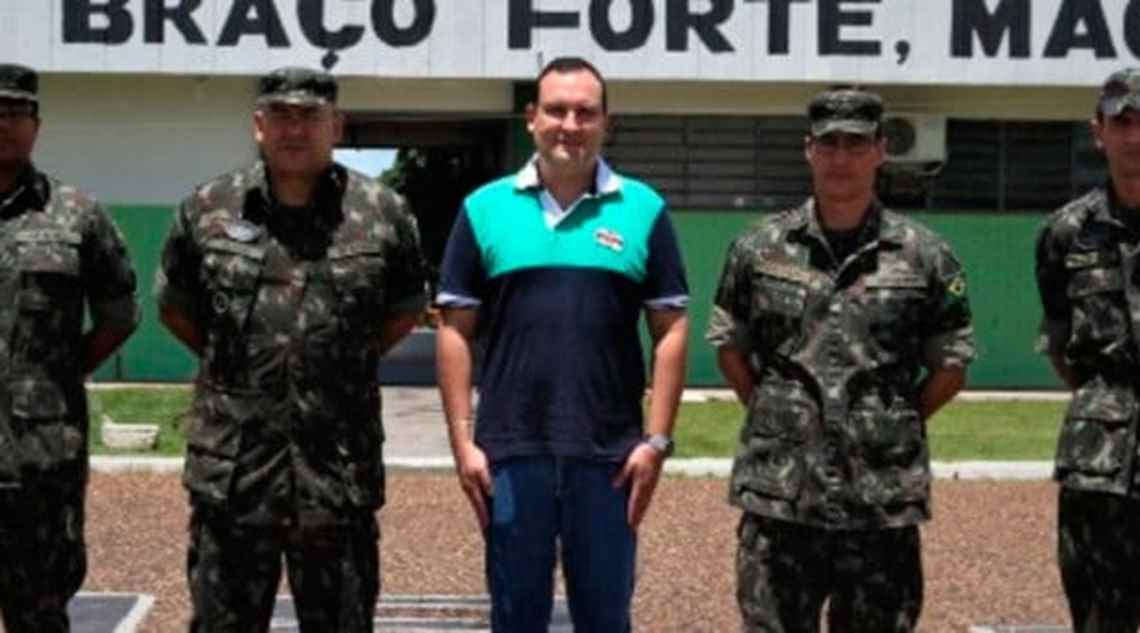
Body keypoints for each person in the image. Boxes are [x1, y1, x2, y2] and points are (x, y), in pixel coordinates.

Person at [155, 67, 427, 633]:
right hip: (235, 475)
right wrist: (242, 367)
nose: (294, 130)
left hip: (337, 473)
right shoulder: (208, 208)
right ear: (259, 125)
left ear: (337, 126)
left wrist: (339, 361)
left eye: (310, 117)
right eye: (281, 116)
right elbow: (176, 310)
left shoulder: (382, 212)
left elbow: (404, 311)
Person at [435, 56, 689, 632]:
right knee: (515, 617)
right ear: (531, 118)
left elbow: (671, 329)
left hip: (609, 458)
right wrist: (462, 443)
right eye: (556, 110)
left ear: (606, 122)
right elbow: (454, 330)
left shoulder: (644, 210)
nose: (570, 125)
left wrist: (656, 441)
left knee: (604, 618)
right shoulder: (483, 209)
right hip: (509, 454)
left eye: (585, 112)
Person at [707, 87, 975, 632]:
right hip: (782, 495)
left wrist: (892, 419)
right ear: (809, 149)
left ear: (881, 150)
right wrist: (778, 413)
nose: (841, 157)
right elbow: (731, 348)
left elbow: (950, 365)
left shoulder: (925, 255)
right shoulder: (758, 248)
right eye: (828, 143)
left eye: (856, 143)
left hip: (880, 499)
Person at [0, 63, 140, 633]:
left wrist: (55, 376)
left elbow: (119, 314)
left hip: (40, 460)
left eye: (17, 112)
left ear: (37, 125)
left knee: (39, 612)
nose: (4, 123)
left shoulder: (77, 214)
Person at [1035, 67, 1140, 633]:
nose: (1135, 136)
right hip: (1099, 466)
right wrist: (1109, 403)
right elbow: (1062, 341)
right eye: (1123, 121)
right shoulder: (1066, 233)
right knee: (1099, 620)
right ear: (1098, 131)